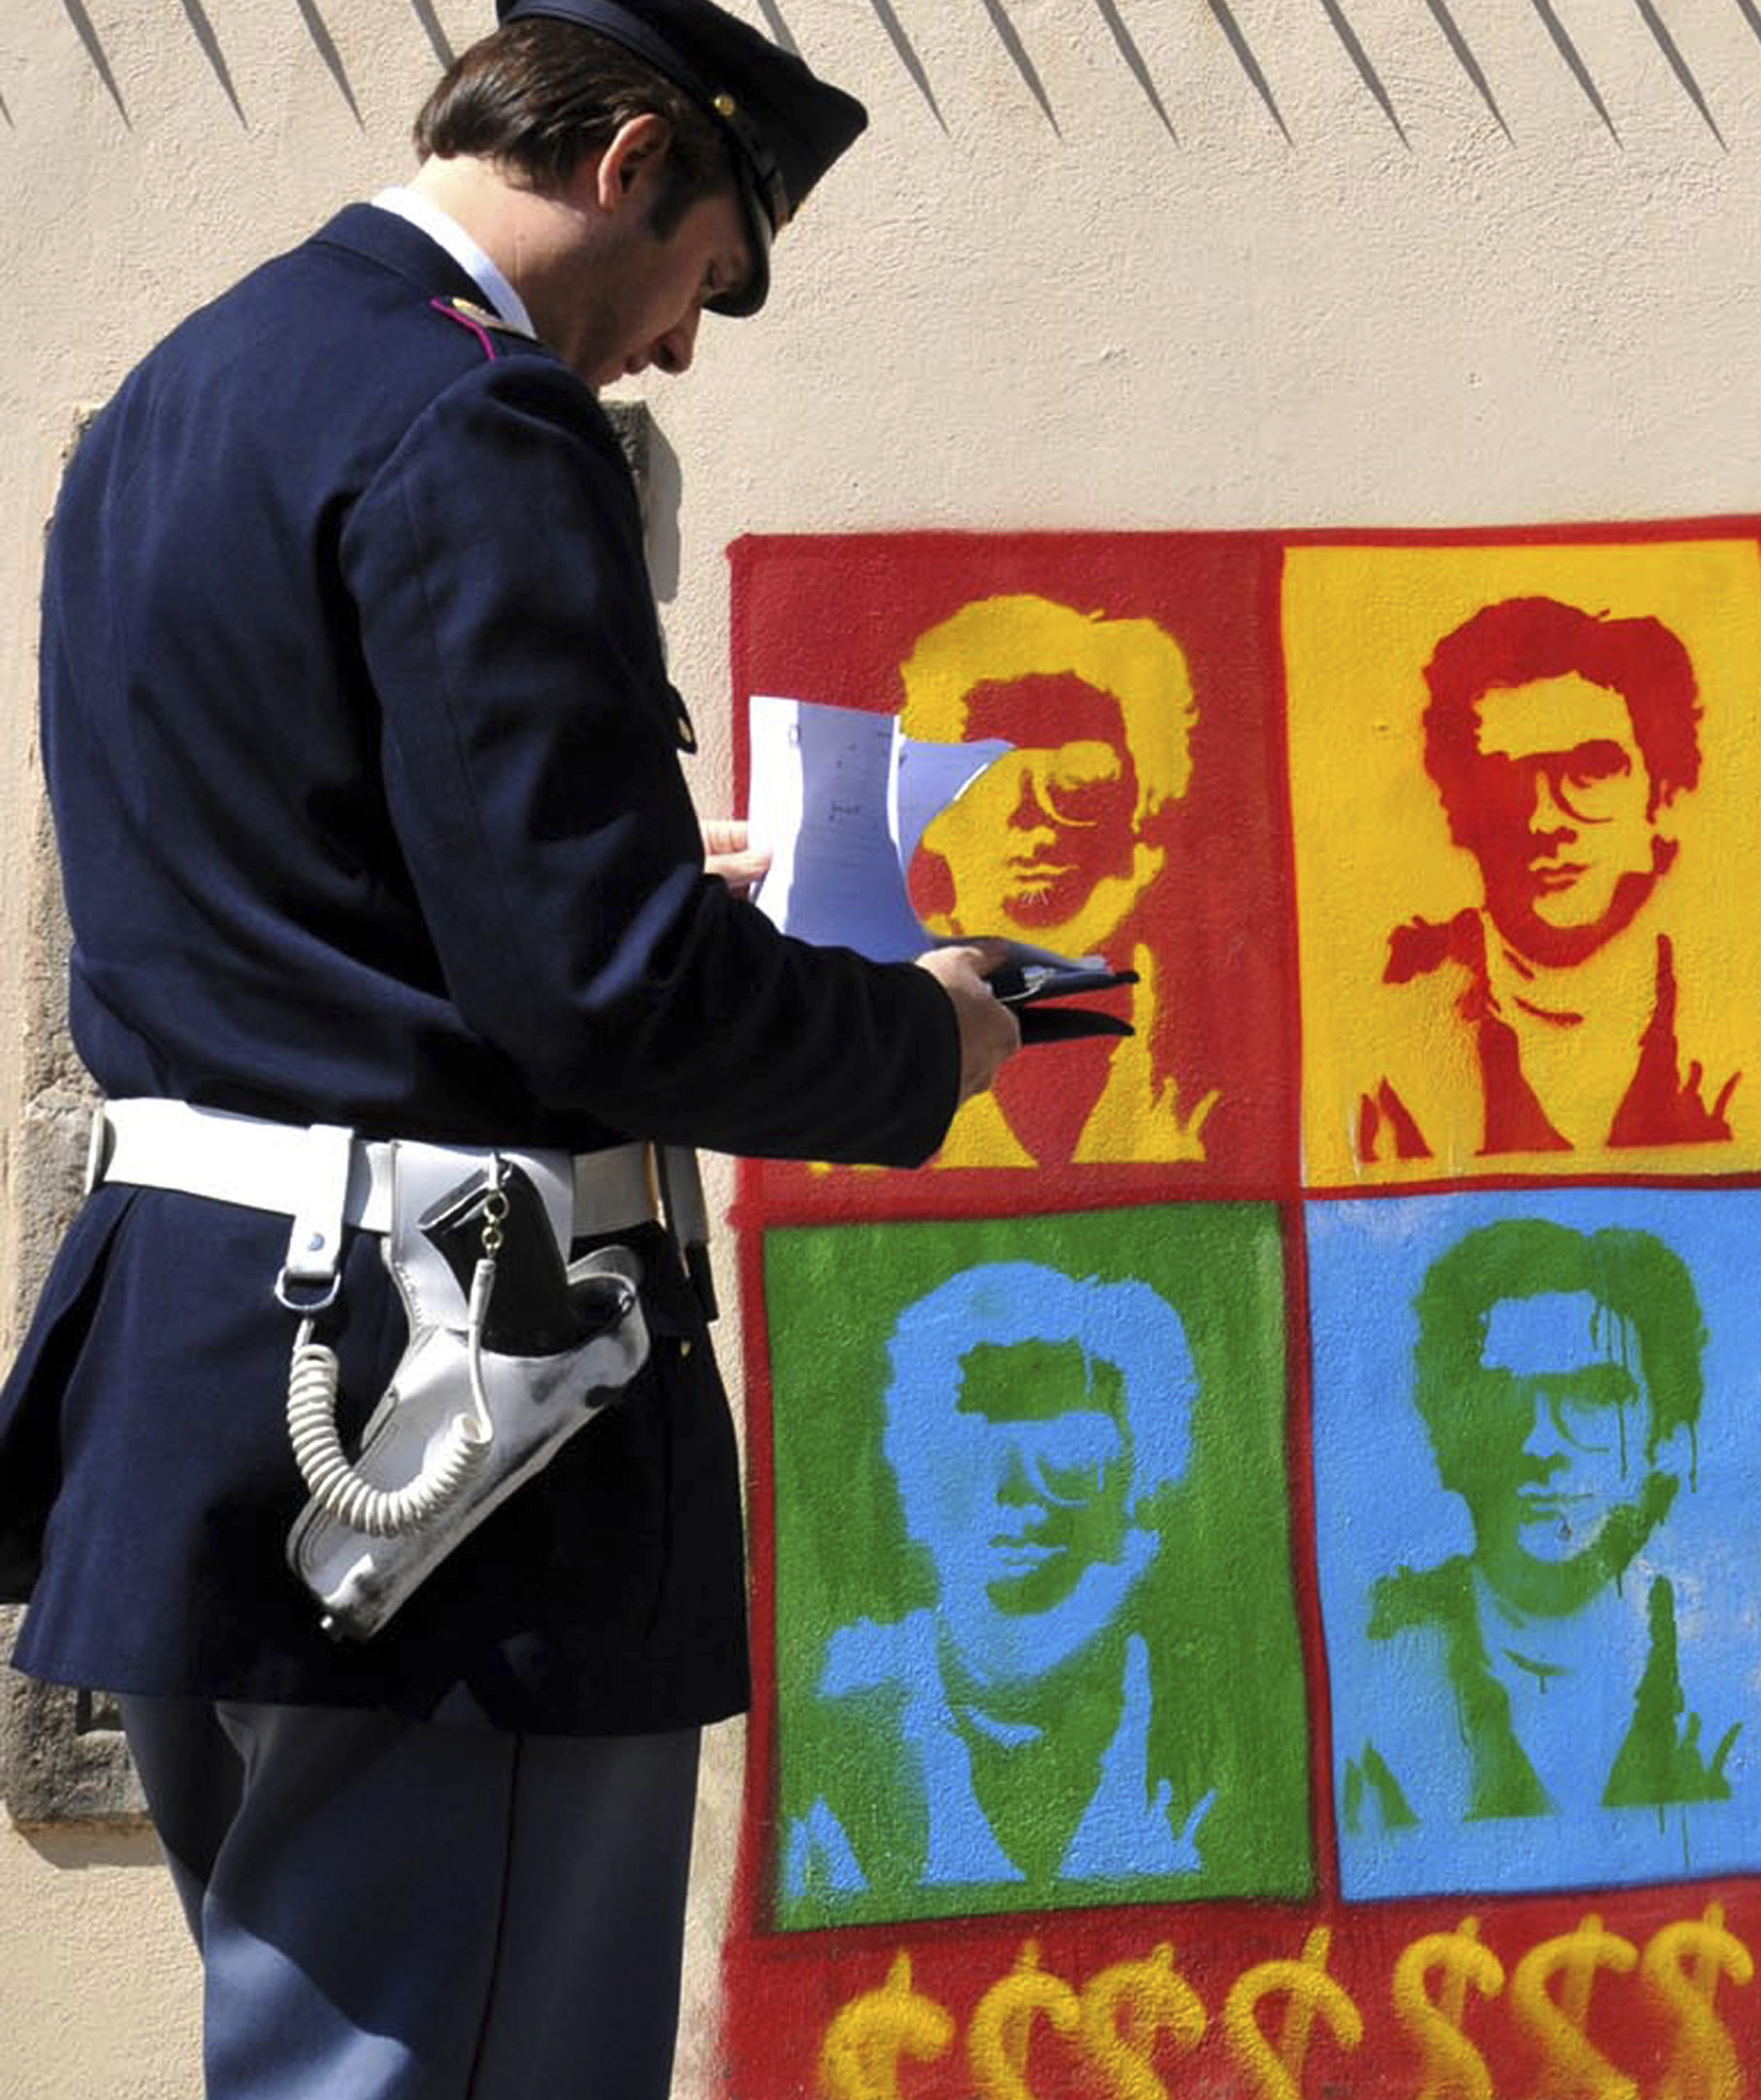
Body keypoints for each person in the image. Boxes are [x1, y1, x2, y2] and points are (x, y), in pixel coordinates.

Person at [0, 4, 1022, 2094]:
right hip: (455, 1416)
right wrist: (929, 1032)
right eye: (706, 272)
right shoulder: (480, 420)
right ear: (636, 159)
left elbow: (323, 889)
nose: (678, 345)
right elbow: (607, 1000)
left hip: (220, 1368)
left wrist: (642, 873)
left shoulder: (192, 392)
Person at [781, 1260, 1209, 1916]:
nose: (1012, 1493)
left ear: (1142, 1471)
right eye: (967, 1449)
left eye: (1066, 1450)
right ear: (913, 1479)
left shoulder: (1201, 1740)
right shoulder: (831, 1748)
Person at [1339, 1218, 1735, 1830]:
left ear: (1668, 1438)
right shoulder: (1371, 1688)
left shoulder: (1731, 1699)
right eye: (1503, 1393)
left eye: (1597, 1395)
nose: (1543, 1441)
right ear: (1447, 1435)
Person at [1355, 595, 1740, 1165]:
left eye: (1590, 771)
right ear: (1460, 811)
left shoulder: (1729, 1047)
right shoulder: (1390, 1060)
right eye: (1505, 777)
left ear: (1659, 794)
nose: (1544, 819)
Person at [899, 593, 1215, 1167]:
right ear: (936, 817)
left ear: (1138, 805)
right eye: (989, 777)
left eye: (1079, 776)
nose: (1031, 816)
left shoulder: (1198, 1037)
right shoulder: (888, 1002)